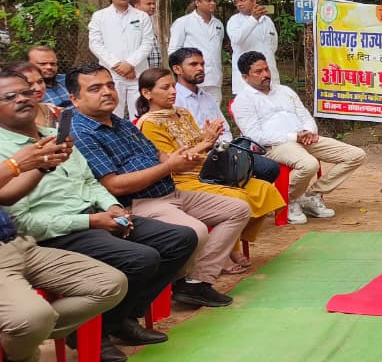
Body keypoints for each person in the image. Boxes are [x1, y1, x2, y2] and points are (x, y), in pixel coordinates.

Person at [0, 68, 196, 351]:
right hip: (60, 230)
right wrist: (92, 221)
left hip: (97, 214)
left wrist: (112, 206)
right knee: (141, 258)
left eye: (27, 92)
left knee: (180, 238)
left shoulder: (55, 135)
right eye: (10, 96)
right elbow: (25, 221)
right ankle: (94, 329)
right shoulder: (8, 154)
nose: (22, 99)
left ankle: (121, 318)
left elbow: (90, 181)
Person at [67, 64, 249, 309]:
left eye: (110, 85)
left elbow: (159, 155)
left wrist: (182, 159)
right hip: (138, 203)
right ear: (75, 99)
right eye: (95, 88)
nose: (107, 92)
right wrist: (169, 166)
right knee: (195, 231)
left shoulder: (121, 124)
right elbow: (114, 186)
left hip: (171, 191)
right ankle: (180, 282)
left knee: (238, 209)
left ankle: (197, 281)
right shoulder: (81, 133)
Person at [1, 144, 129, 362]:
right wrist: (14, 165)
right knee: (34, 316)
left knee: (111, 283)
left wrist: (41, 166)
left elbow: (7, 197)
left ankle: (21, 338)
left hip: (18, 243)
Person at [136, 68, 285, 274]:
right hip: (181, 180)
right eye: (165, 88)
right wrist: (206, 142)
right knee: (237, 197)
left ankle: (229, 241)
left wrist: (207, 138)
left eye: (173, 86)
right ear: (147, 93)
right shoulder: (149, 124)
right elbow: (172, 161)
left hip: (208, 171)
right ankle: (225, 252)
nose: (173, 91)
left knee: (263, 189)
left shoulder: (182, 112)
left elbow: (197, 144)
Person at [232, 51, 366, 222]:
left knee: (355, 155)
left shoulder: (284, 91)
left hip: (304, 138)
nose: (265, 74)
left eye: (266, 69)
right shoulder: (243, 101)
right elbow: (255, 136)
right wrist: (294, 137)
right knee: (309, 164)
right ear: (245, 77)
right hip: (274, 145)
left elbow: (305, 116)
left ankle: (311, 195)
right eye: (258, 72)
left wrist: (309, 131)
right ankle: (288, 200)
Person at [170, 47, 279, 183]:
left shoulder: (207, 97)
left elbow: (225, 130)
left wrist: (223, 148)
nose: (200, 68)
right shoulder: (174, 100)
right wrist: (207, 140)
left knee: (269, 166)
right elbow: (181, 138)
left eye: (202, 64)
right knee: (266, 168)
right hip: (198, 153)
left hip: (223, 149)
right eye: (193, 64)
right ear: (177, 69)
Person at [87, 0, 157, 119]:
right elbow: (95, 43)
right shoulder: (100, 16)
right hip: (111, 73)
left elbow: (147, 43)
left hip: (137, 73)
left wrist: (130, 64)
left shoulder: (142, 16)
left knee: (140, 114)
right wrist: (117, 65)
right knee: (111, 113)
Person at [168, 0, 226, 107]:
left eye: (214, 0)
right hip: (191, 77)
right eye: (208, 1)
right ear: (197, 3)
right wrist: (180, 72)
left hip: (214, 78)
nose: (212, 3)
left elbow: (216, 50)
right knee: (190, 111)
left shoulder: (218, 24)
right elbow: (174, 50)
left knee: (213, 111)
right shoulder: (183, 22)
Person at [226, 0, 278, 97]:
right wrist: (253, 19)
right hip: (247, 77)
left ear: (254, 1)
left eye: (243, 0)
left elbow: (273, 45)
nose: (239, 4)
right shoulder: (234, 21)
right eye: (237, 1)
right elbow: (236, 39)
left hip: (268, 73)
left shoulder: (267, 20)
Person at [11, 61, 61, 130]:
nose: (38, 88)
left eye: (40, 81)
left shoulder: (55, 111)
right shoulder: (8, 120)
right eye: (29, 84)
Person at [130, 0, 165, 70]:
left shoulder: (149, 21)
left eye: (153, 4)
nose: (153, 6)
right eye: (148, 4)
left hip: (153, 70)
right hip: (140, 69)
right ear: (136, 6)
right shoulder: (133, 22)